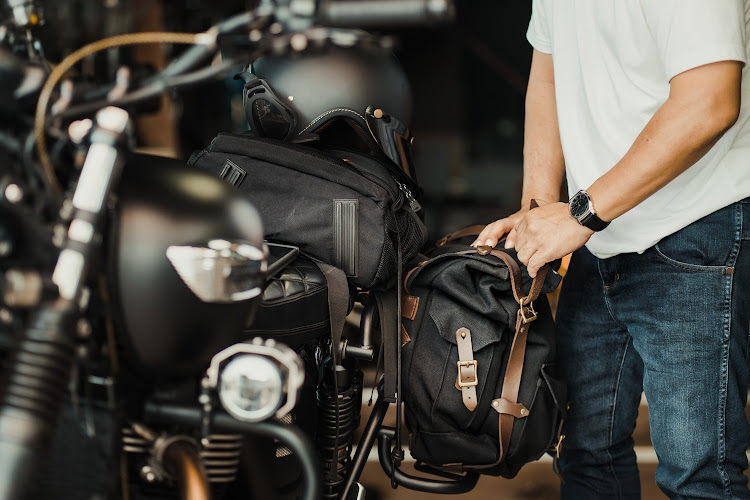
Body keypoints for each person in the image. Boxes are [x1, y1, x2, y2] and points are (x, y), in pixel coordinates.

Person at [473, 1, 750, 498]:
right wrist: (539, 209)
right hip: (596, 235)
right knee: (584, 457)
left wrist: (581, 213)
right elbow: (549, 78)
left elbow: (709, 100)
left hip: (692, 226)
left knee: (698, 476)